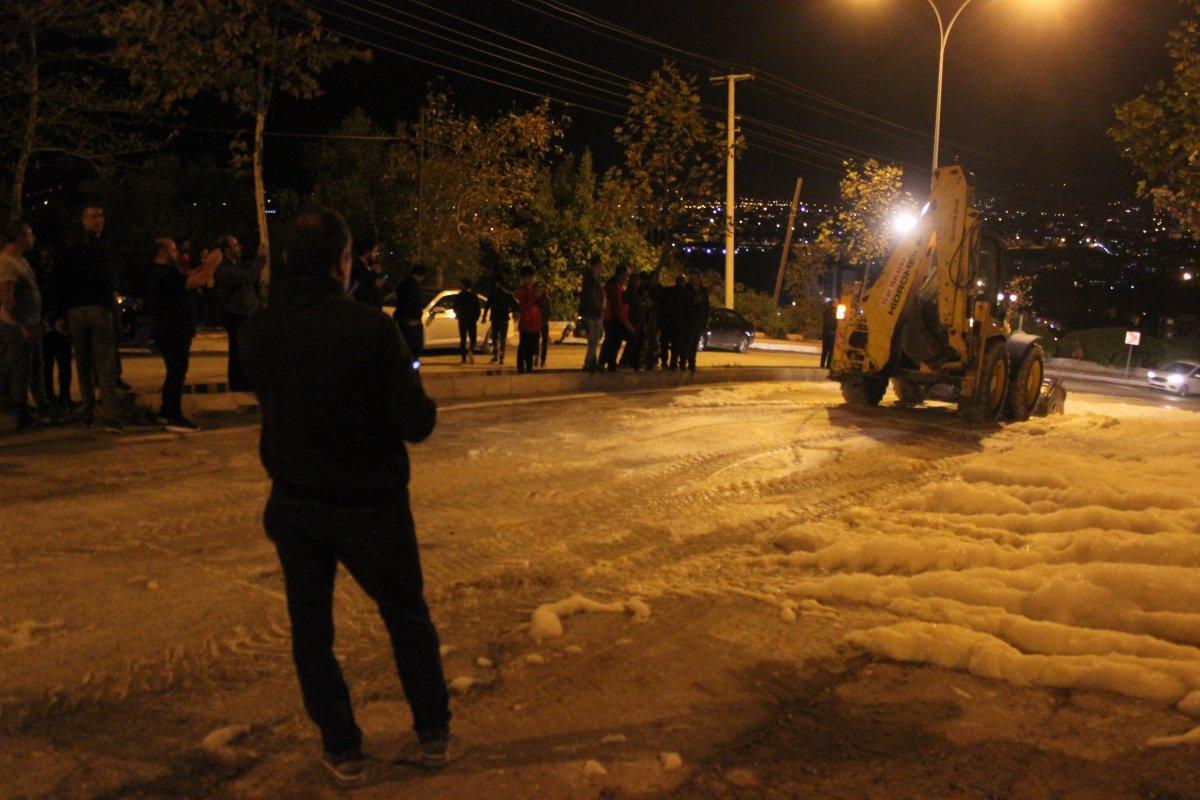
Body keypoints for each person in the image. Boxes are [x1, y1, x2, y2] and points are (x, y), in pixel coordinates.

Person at [239, 208, 450, 785]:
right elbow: (416, 423)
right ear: (341, 262)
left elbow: (254, 384)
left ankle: (342, 746)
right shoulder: (369, 329)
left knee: (312, 634)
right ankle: (432, 732)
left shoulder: (260, 328)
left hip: (295, 503)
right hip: (370, 505)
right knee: (406, 616)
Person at [51, 199, 123, 432]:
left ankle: (93, 411)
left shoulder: (87, 244)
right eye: (92, 216)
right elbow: (62, 280)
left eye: (99, 216)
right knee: (101, 363)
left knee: (90, 363)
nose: (97, 221)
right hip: (88, 308)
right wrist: (59, 314)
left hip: (85, 308)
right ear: (83, 220)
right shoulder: (87, 246)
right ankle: (105, 413)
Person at [146, 238, 220, 432]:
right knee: (177, 372)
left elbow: (187, 275)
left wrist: (204, 266)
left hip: (172, 329)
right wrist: (212, 264)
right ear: (163, 252)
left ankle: (165, 411)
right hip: (173, 330)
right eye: (172, 249)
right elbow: (194, 281)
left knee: (174, 371)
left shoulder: (164, 272)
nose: (177, 252)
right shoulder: (163, 273)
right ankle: (173, 416)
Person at [0, 220, 47, 429]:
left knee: (32, 366)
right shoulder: (7, 262)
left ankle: (37, 407)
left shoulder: (20, 259)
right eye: (29, 234)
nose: (33, 238)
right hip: (18, 325)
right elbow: (7, 298)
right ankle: (19, 412)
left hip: (31, 322)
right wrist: (21, 325)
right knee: (20, 368)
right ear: (19, 237)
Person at [213, 235, 260, 391]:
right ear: (227, 250)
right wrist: (260, 258)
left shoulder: (236, 265)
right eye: (235, 245)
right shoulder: (224, 269)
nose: (239, 248)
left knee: (246, 351)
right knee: (237, 352)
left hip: (246, 313)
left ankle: (244, 383)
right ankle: (238, 385)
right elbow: (249, 276)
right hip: (236, 314)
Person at [35, 248, 72, 410]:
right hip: (48, 324)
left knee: (61, 364)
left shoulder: (57, 278)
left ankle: (63, 396)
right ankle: (52, 396)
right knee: (49, 364)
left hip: (56, 322)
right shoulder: (40, 278)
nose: (47, 262)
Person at [599, 265, 633, 372]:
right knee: (614, 341)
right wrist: (625, 321)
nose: (626, 278)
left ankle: (606, 363)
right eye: (625, 275)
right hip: (614, 318)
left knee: (611, 341)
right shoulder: (615, 287)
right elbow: (617, 306)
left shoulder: (614, 285)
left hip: (612, 318)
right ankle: (610, 363)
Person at [393, 264, 426, 361]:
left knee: (403, 349)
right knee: (415, 349)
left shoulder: (402, 284)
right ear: (422, 275)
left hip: (401, 320)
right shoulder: (415, 287)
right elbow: (415, 304)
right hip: (412, 322)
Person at [513, 267, 543, 374]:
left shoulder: (537, 289)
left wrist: (541, 295)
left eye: (532, 277)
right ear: (524, 279)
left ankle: (529, 368)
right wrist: (533, 297)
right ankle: (521, 367)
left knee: (531, 348)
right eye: (528, 278)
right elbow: (521, 306)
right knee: (523, 346)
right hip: (526, 323)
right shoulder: (521, 291)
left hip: (535, 323)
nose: (530, 280)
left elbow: (543, 304)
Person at [579, 254, 605, 371]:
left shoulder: (595, 277)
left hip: (596, 312)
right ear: (597, 264)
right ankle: (589, 362)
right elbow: (591, 296)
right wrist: (599, 307)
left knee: (594, 339)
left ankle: (591, 360)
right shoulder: (590, 278)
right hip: (593, 312)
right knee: (593, 338)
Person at [680, 269, 709, 373]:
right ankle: (683, 362)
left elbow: (706, 306)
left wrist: (705, 320)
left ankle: (692, 363)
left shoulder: (703, 290)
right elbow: (683, 305)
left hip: (699, 320)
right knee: (687, 342)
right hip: (689, 320)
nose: (694, 280)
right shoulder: (687, 289)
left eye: (696, 278)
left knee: (694, 343)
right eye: (692, 278)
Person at [482, 280, 515, 364]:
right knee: (502, 339)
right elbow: (516, 304)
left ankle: (495, 356)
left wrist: (484, 317)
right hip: (503, 319)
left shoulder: (493, 294)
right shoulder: (507, 294)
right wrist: (509, 310)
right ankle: (501, 357)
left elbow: (487, 306)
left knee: (495, 338)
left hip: (495, 319)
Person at [619, 272, 647, 370]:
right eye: (635, 280)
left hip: (639, 320)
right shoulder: (628, 293)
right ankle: (624, 362)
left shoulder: (640, 293)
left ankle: (633, 362)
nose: (637, 283)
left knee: (638, 342)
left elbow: (644, 305)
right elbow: (625, 307)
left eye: (638, 280)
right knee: (632, 341)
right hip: (631, 320)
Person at [658, 275, 686, 370]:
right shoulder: (684, 293)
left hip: (667, 322)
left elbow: (661, 305)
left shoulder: (667, 291)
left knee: (665, 344)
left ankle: (665, 362)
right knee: (675, 345)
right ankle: (673, 364)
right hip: (677, 323)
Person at [451, 278, 481, 364]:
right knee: (473, 339)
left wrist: (458, 316)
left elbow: (454, 308)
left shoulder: (459, 296)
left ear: (463, 286)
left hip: (462, 320)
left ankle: (463, 359)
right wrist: (475, 318)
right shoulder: (474, 296)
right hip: (471, 320)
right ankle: (471, 350)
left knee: (463, 339)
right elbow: (478, 309)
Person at [349, 238, 384, 309]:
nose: (376, 255)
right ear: (367, 252)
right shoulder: (356, 268)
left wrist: (377, 274)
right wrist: (375, 285)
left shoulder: (366, 268)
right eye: (374, 251)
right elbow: (356, 293)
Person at [536, 281, 552, 367]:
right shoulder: (543, 299)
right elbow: (549, 313)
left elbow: (549, 312)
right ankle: (541, 360)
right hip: (543, 322)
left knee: (538, 341)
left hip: (541, 322)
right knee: (542, 342)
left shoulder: (541, 299)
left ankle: (539, 358)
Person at [820, 299, 838, 370]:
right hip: (829, 334)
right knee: (828, 351)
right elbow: (829, 323)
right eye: (835, 303)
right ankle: (825, 365)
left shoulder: (828, 311)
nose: (836, 304)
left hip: (829, 334)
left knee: (828, 351)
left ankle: (825, 365)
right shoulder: (829, 312)